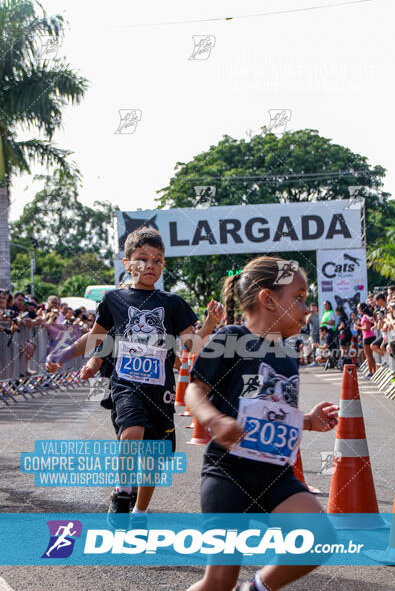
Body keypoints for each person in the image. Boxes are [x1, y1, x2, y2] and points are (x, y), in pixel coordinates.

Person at [46, 226, 224, 518]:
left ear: (163, 264)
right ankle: (122, 490)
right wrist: (62, 355)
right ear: (127, 263)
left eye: (157, 259)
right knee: (133, 431)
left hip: (161, 390)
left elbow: (192, 343)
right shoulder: (114, 301)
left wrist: (210, 323)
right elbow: (94, 338)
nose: (150, 265)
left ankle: (139, 512)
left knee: (154, 459)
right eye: (142, 258)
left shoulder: (173, 304)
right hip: (126, 385)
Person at [185, 256, 339, 591]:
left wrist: (309, 421)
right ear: (268, 299)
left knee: (320, 537)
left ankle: (256, 589)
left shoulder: (287, 355)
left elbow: (274, 412)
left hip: (274, 475)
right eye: (298, 297)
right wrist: (214, 419)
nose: (307, 306)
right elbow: (193, 391)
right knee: (219, 580)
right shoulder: (230, 338)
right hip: (228, 472)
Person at [356, 302, 376, 379]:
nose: (358, 310)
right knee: (371, 356)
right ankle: (373, 371)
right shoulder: (367, 316)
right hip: (371, 336)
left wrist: (359, 327)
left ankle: (371, 372)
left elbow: (367, 328)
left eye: (359, 308)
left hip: (367, 337)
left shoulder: (364, 317)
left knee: (368, 356)